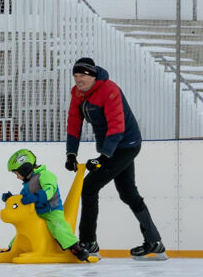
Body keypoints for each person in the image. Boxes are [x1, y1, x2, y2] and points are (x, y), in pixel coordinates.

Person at [64, 57, 165, 259]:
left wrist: (103, 157)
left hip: (126, 145)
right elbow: (74, 122)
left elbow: (117, 126)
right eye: (75, 75)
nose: (78, 80)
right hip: (109, 147)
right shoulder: (78, 93)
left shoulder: (109, 90)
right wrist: (71, 153)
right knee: (128, 193)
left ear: (93, 75)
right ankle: (154, 242)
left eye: (82, 75)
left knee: (90, 186)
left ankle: (88, 242)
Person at [0, 149, 91, 261]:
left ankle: (75, 247)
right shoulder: (27, 184)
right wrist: (11, 198)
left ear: (25, 168)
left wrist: (37, 197)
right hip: (37, 213)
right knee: (23, 230)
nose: (17, 177)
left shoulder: (45, 175)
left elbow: (50, 190)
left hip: (52, 211)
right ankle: (11, 249)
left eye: (17, 173)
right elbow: (22, 200)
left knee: (57, 227)